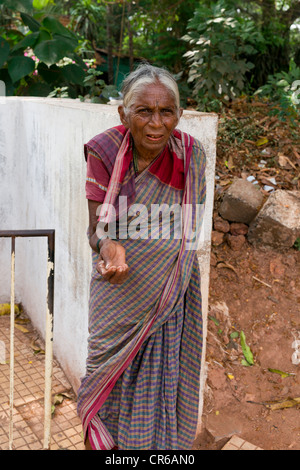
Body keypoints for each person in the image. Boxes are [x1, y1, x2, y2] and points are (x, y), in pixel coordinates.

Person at [77, 63, 206, 450]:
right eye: (144, 111)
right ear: (123, 114)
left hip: (169, 295)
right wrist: (109, 247)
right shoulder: (104, 150)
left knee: (161, 392)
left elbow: (184, 234)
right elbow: (95, 231)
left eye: (166, 111)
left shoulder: (191, 154)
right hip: (118, 295)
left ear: (178, 115)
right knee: (100, 396)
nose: (156, 123)